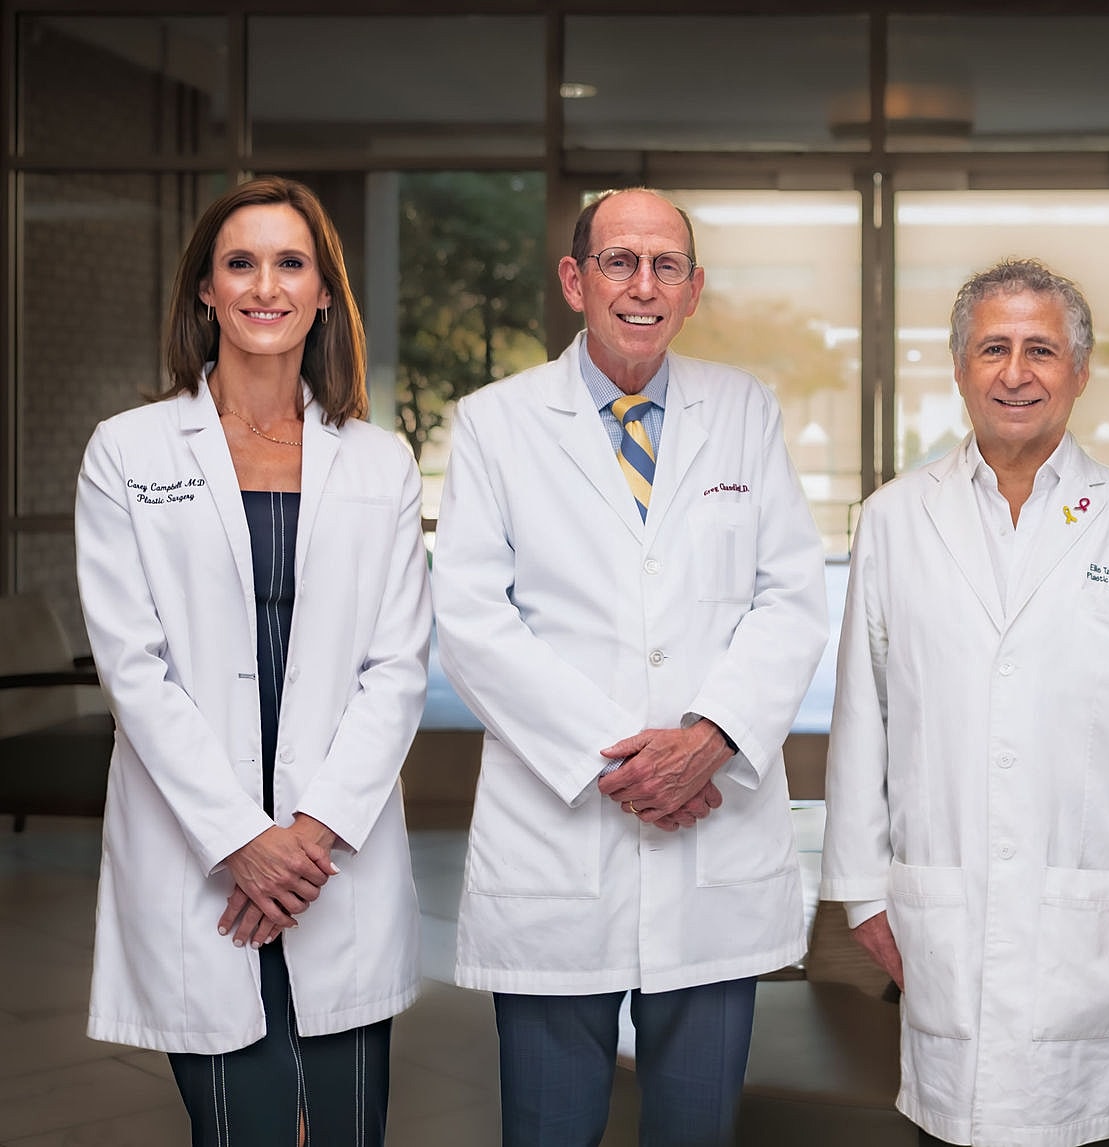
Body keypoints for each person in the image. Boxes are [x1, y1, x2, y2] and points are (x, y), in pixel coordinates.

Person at [432, 187, 828, 1146]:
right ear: (575, 280)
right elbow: (473, 622)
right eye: (619, 261)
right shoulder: (494, 424)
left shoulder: (746, 411)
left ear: (693, 290)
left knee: (695, 1127)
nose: (642, 285)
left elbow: (792, 596)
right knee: (550, 1127)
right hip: (558, 833)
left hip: (711, 832)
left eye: (666, 266)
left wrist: (710, 739)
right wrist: (625, 762)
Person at [822, 259, 1109, 1147]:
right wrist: (860, 892)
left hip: (1096, 925)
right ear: (959, 367)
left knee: (1095, 1125)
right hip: (943, 912)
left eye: (1041, 349)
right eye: (993, 348)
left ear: (1079, 371)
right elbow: (862, 720)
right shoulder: (893, 519)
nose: (1015, 372)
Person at [75, 176, 430, 1142]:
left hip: (330, 860)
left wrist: (308, 834)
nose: (264, 285)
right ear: (205, 290)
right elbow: (133, 668)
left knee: (350, 1131)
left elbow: (397, 668)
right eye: (240, 262)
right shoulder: (126, 452)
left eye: (290, 262)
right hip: (205, 858)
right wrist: (241, 838)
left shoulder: (380, 462)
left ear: (324, 292)